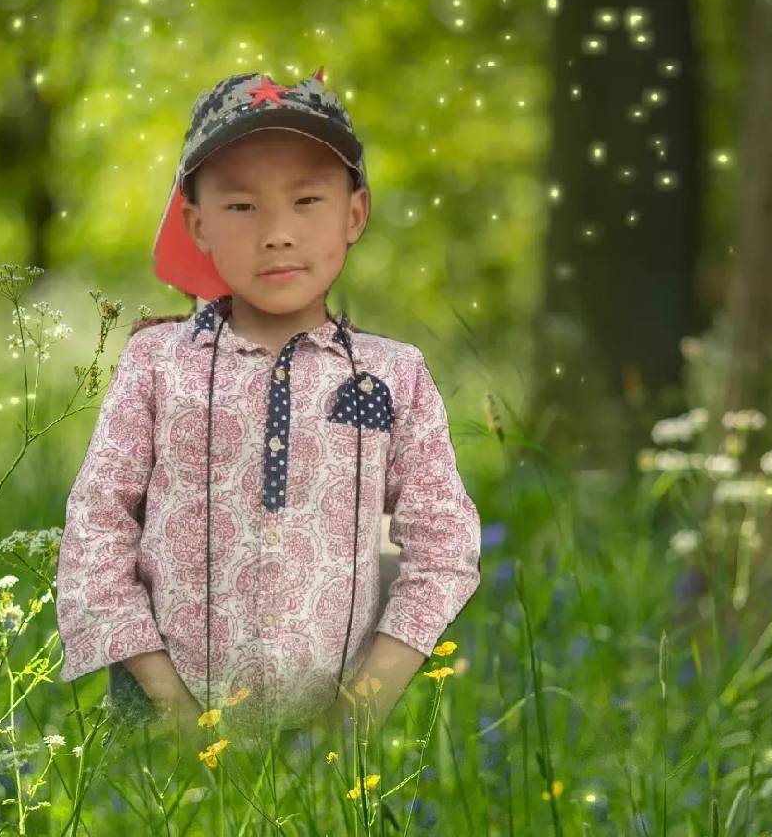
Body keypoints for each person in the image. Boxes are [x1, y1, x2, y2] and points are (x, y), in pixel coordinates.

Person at [55, 67, 482, 747]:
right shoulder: (157, 365)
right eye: (243, 207)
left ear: (355, 213)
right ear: (197, 224)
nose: (277, 233)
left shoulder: (394, 375)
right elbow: (97, 530)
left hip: (345, 744)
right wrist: (169, 708)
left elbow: (444, 547)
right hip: (164, 730)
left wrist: (360, 715)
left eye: (307, 200)